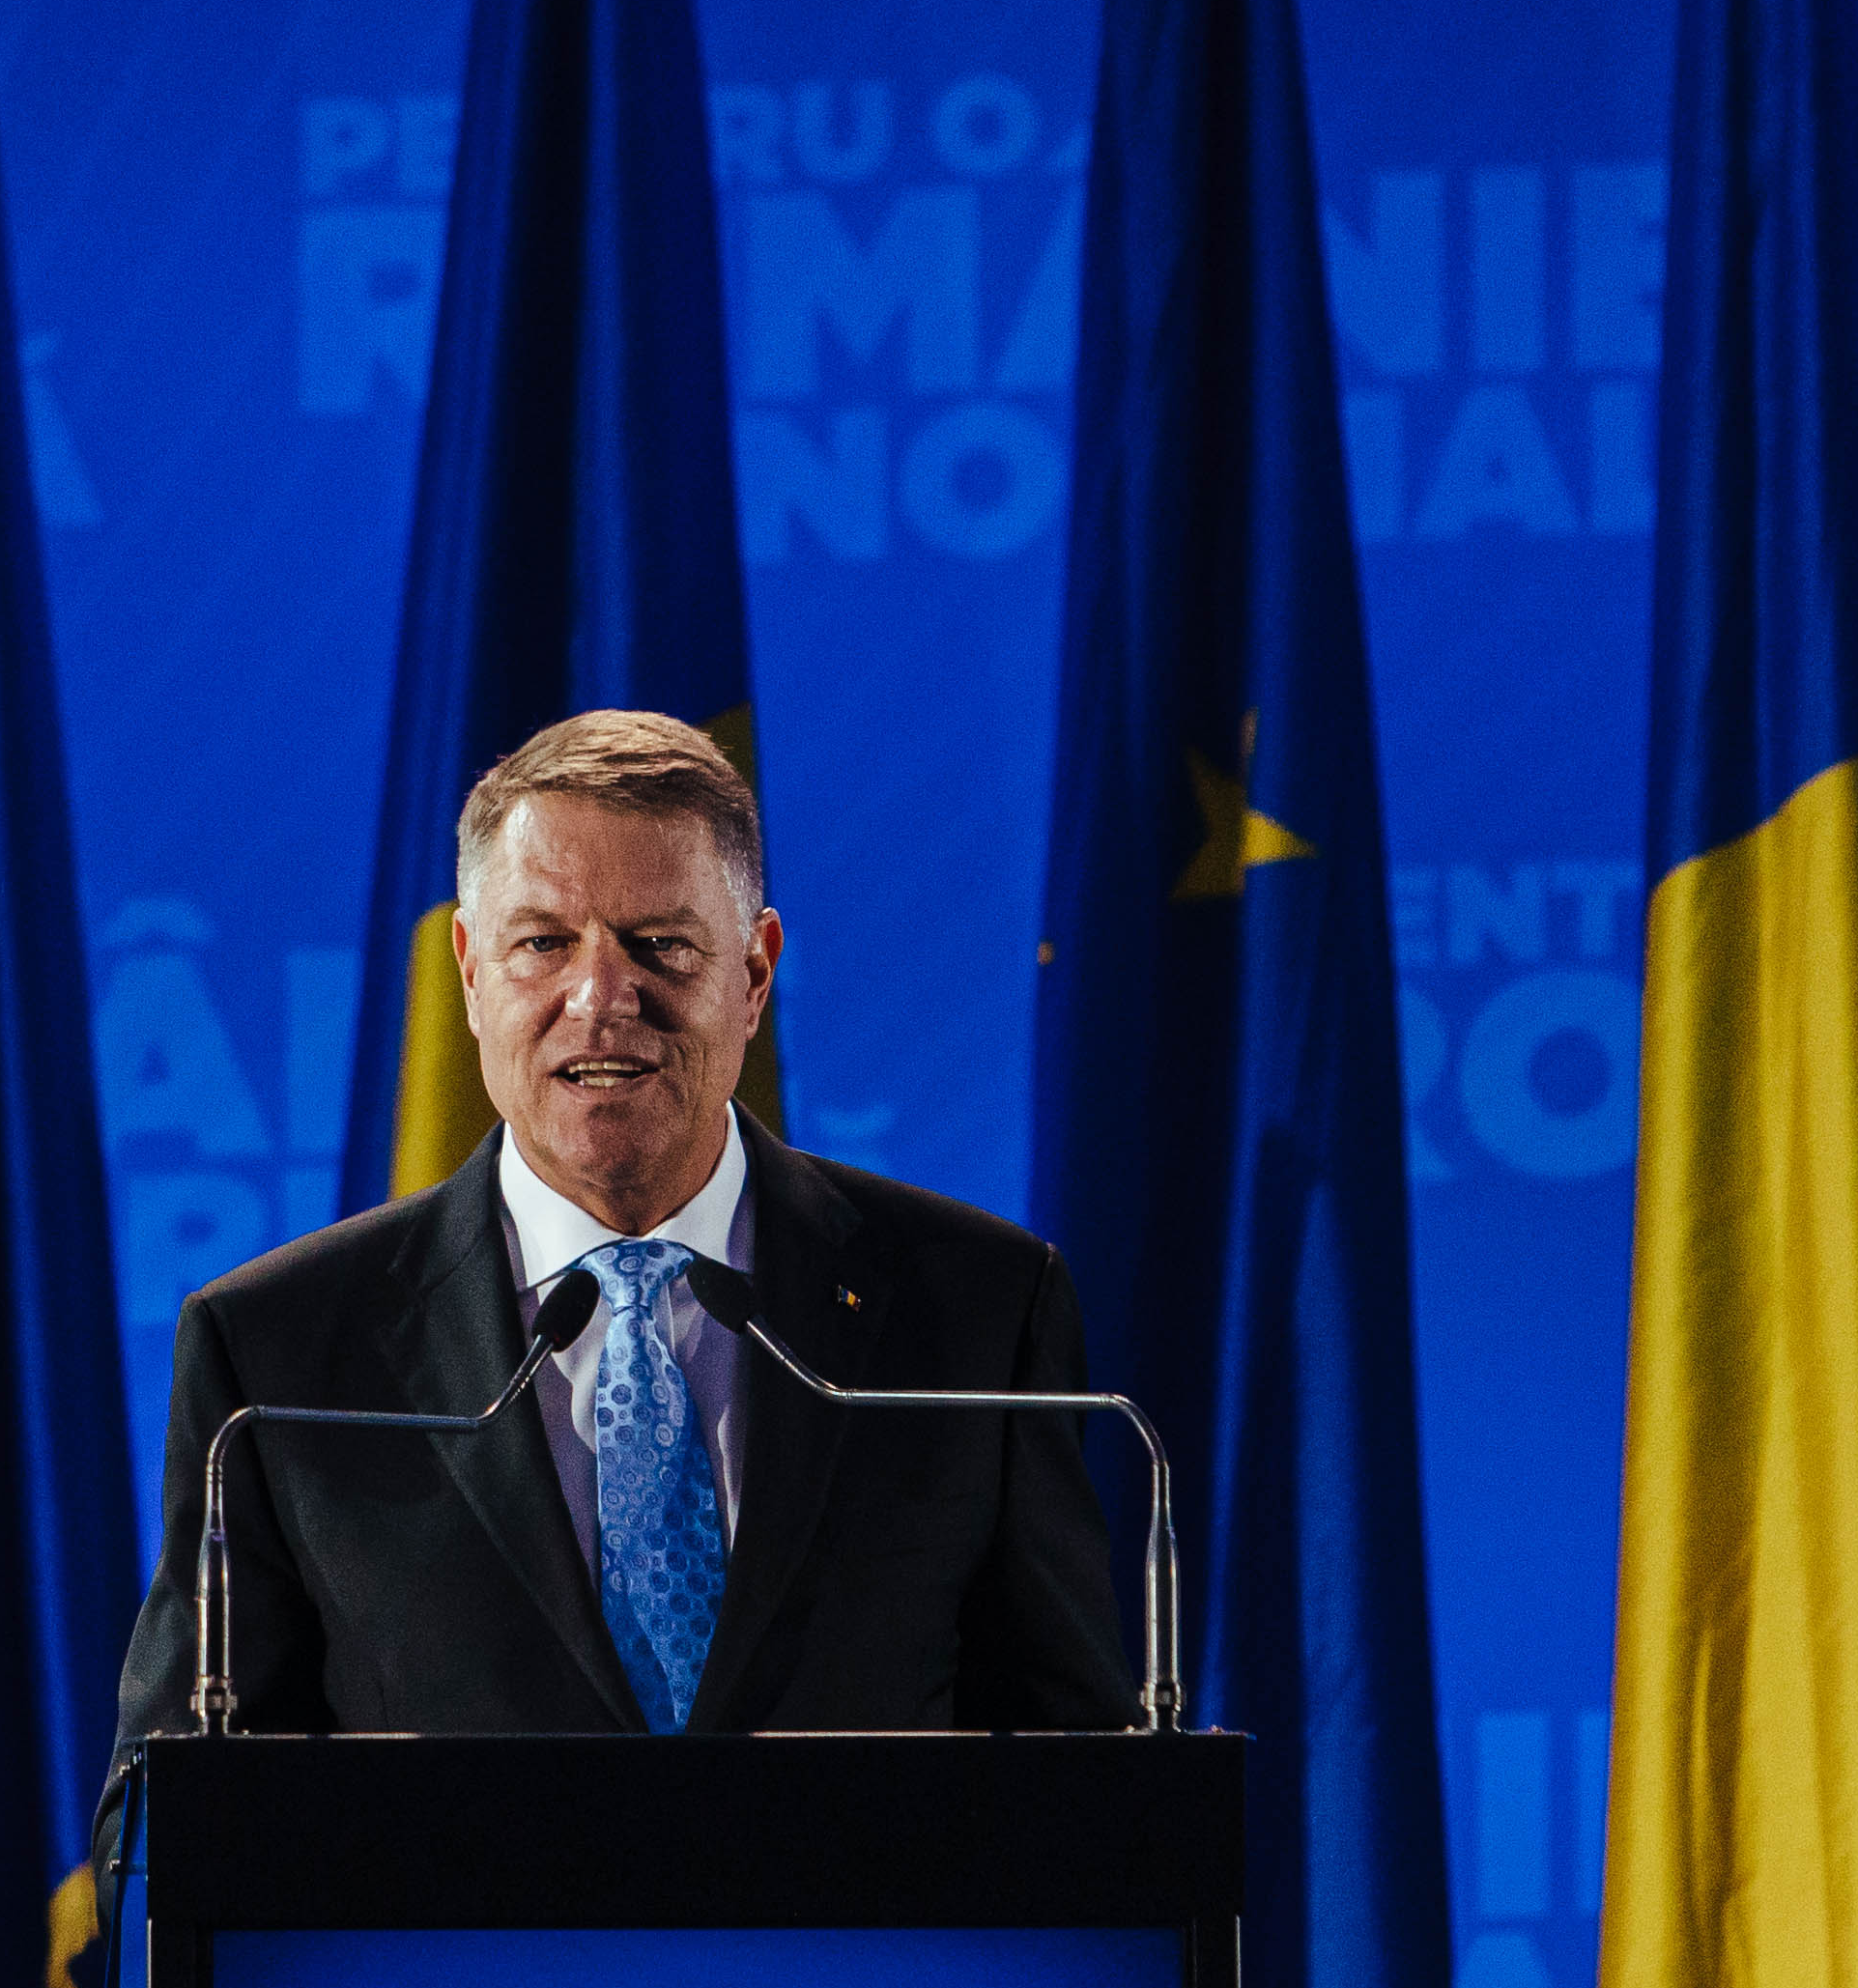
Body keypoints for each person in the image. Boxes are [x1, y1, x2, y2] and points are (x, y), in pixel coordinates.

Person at [107, 709, 1136, 1745]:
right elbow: (171, 1810)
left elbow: (1085, 1778)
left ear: (755, 972)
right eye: (542, 943)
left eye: (662, 945)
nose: (600, 997)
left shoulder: (979, 1312)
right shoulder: (277, 1353)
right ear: (470, 972)